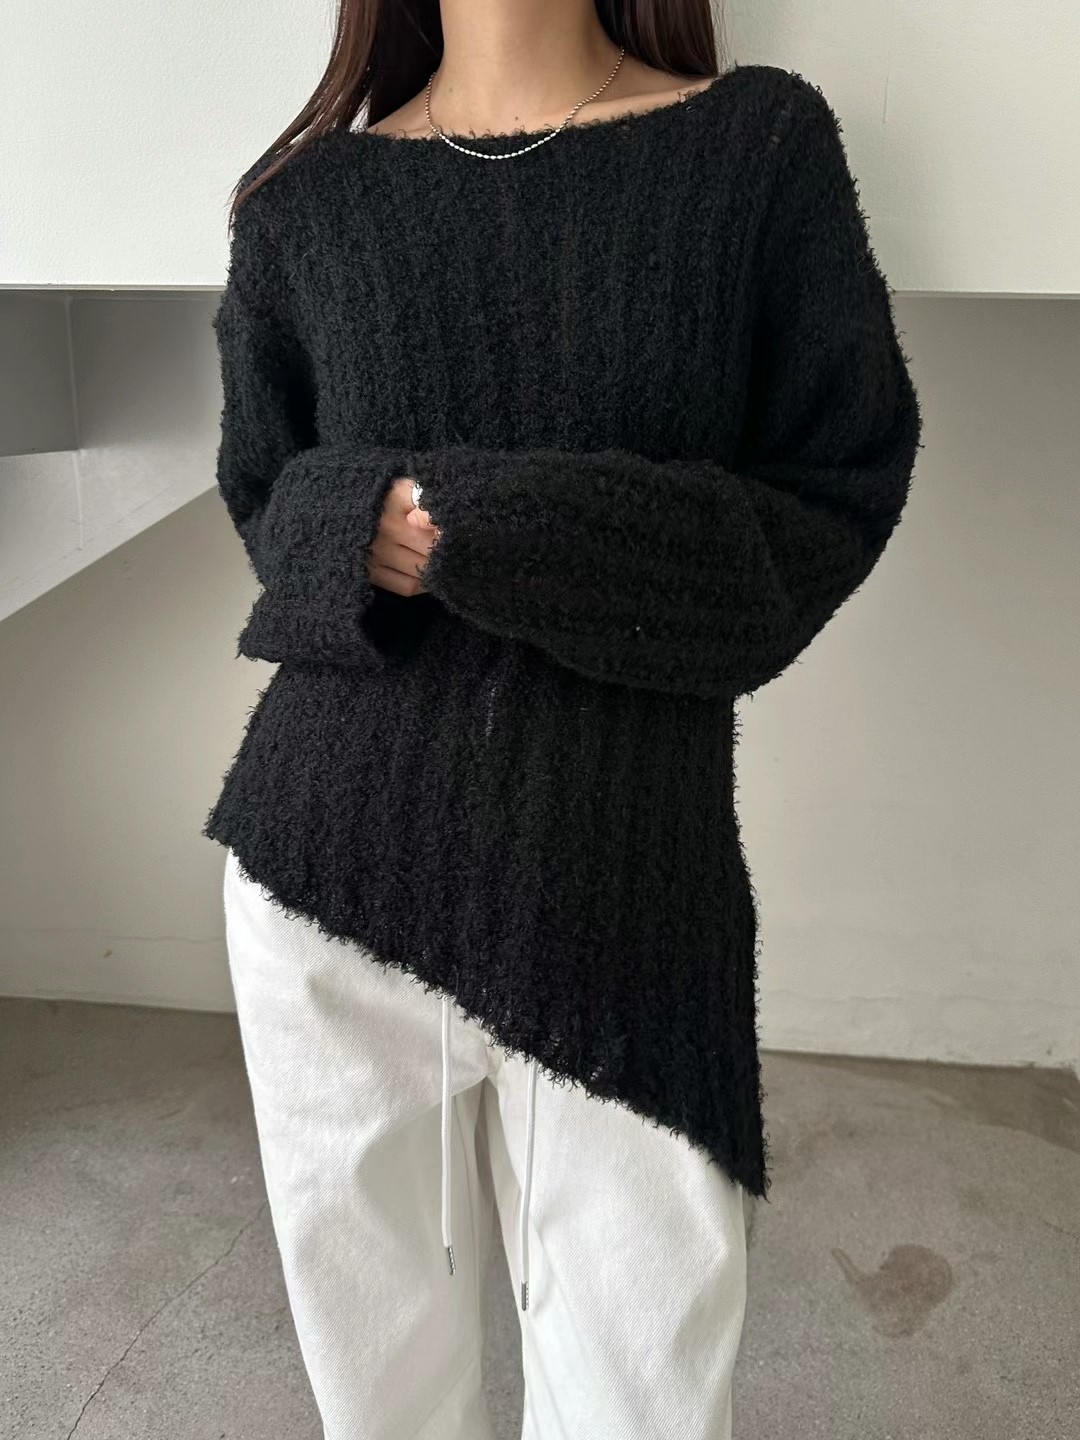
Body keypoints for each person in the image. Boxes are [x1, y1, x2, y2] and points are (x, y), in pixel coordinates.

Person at [205, 2, 923, 1436]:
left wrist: (496, 524)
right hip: (323, 872)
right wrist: (359, 517)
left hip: (624, 888)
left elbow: (834, 489)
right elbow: (268, 493)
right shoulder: (305, 201)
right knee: (383, 1404)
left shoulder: (753, 148)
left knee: (640, 1395)